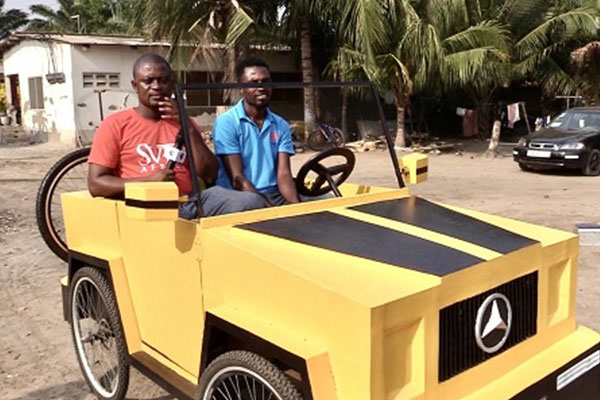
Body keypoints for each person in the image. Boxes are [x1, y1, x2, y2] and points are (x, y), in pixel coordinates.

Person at [87, 53, 266, 217]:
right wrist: (148, 181)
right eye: (148, 81)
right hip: (146, 205)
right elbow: (96, 184)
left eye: (163, 81)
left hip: (190, 201)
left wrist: (187, 126)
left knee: (252, 201)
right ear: (135, 85)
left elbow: (210, 174)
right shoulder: (115, 124)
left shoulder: (183, 121)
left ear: (171, 85)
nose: (156, 87)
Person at [213, 57, 299, 206]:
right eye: (254, 83)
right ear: (241, 88)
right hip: (242, 196)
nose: (261, 87)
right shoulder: (227, 123)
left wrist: (296, 207)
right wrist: (269, 210)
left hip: (275, 193)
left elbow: (284, 174)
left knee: (326, 200)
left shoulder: (281, 125)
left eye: (265, 81)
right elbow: (237, 179)